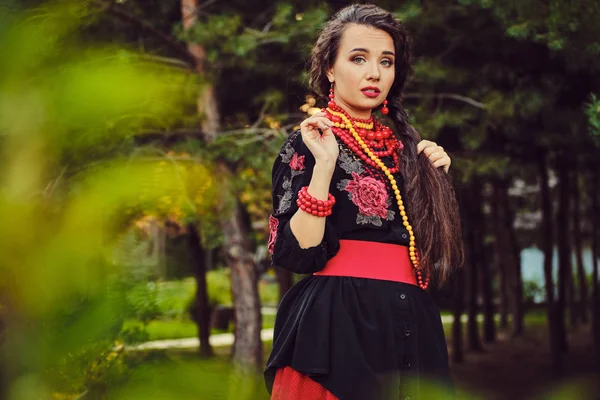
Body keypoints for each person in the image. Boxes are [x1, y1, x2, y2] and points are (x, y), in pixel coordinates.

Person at [264, 4, 464, 400]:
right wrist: (324, 167)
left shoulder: (406, 152)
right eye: (359, 58)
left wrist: (434, 182)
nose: (374, 72)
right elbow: (298, 253)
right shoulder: (310, 141)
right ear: (330, 69)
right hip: (340, 320)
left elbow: (433, 255)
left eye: (386, 62)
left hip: (411, 321)